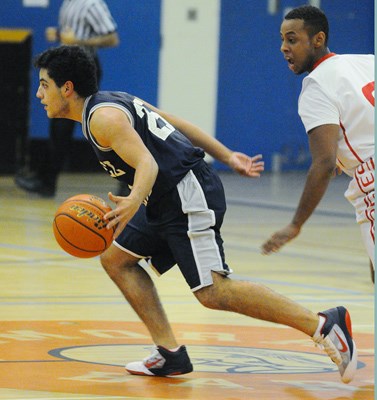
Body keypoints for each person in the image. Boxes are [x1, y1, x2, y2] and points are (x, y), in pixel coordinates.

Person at [34, 44, 357, 384]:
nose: (40, 93)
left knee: (213, 291)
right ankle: (169, 353)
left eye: (44, 84)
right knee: (117, 259)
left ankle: (323, 324)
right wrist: (226, 154)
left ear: (66, 88)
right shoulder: (112, 102)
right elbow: (174, 122)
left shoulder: (103, 117)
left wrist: (132, 201)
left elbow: (148, 163)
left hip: (186, 193)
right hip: (163, 196)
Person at [262, 6, 375, 280]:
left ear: (318, 39)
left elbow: (323, 164)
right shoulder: (366, 61)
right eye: (282, 39)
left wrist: (295, 224)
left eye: (292, 39)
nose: (283, 48)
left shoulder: (316, 85)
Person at [15, 0, 119, 197]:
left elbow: (112, 38)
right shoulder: (68, 3)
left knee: (74, 123)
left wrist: (78, 40)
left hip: (83, 68)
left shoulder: (92, 5)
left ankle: (47, 181)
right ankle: (45, 180)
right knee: (58, 123)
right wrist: (59, 35)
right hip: (66, 66)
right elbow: (70, 36)